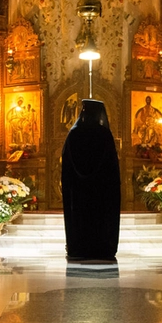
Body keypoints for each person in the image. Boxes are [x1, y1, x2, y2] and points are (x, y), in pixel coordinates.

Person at [62, 100, 120, 262]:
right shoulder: (104, 135)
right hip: (101, 191)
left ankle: (78, 247)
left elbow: (66, 163)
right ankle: (102, 248)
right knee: (100, 219)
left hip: (79, 191)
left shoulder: (74, 134)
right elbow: (112, 165)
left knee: (80, 218)